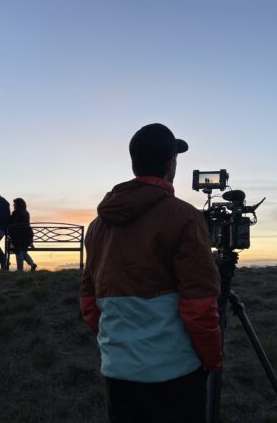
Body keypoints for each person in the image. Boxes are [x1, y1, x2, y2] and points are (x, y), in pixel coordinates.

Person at [80, 123, 222, 423]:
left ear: (134, 163)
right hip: (175, 374)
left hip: (118, 372)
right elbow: (199, 307)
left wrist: (119, 348)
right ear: (171, 164)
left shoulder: (97, 226)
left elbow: (89, 304)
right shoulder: (185, 217)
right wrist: (212, 359)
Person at [8, 198, 37, 272]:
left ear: (18, 204)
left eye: (14, 203)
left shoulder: (16, 212)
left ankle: (20, 269)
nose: (13, 205)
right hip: (27, 236)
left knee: (18, 251)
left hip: (19, 236)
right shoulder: (26, 212)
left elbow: (13, 224)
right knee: (23, 251)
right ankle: (32, 264)